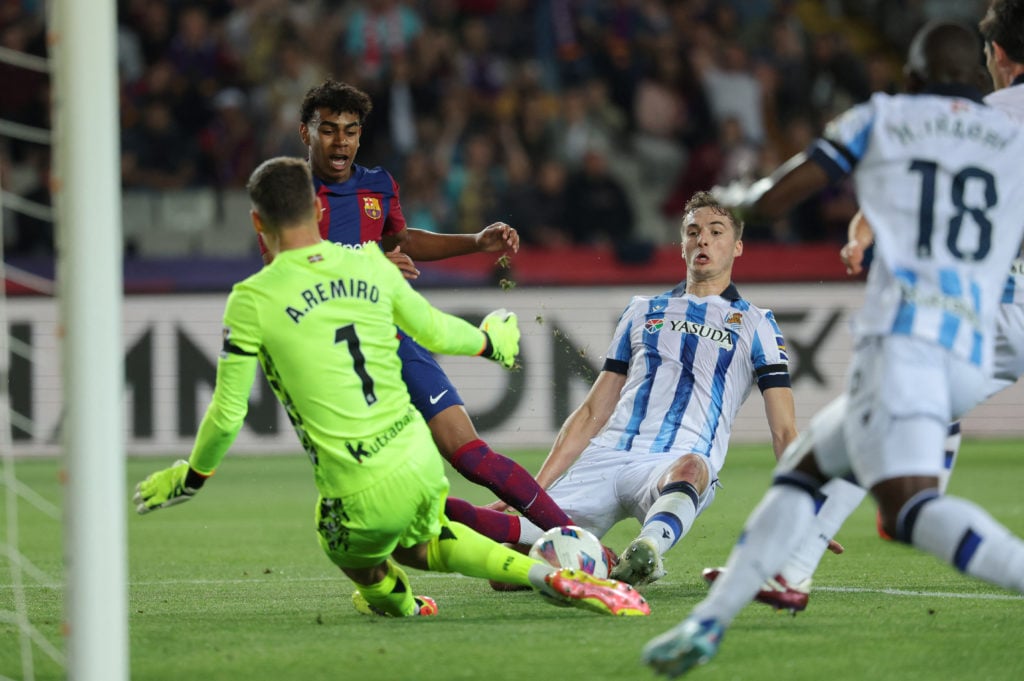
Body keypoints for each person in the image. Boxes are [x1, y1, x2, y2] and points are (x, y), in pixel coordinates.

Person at [643, 20, 1024, 676]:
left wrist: (737, 199)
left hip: (906, 341)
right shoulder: (1010, 135)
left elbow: (775, 196)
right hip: (969, 338)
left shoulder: (883, 116)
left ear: (909, 78)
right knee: (807, 466)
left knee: (907, 507)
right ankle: (709, 624)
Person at [133, 157, 650, 620]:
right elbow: (434, 330)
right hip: (418, 464)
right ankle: (553, 572)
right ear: (318, 207)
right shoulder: (369, 265)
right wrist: (493, 342)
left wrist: (192, 477)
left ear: (256, 222)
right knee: (429, 540)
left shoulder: (250, 299)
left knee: (362, 554)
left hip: (356, 487)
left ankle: (399, 601)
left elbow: (227, 413)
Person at [452, 190, 800, 588]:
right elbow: (590, 413)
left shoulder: (757, 324)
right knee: (511, 574)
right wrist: (532, 494)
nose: (703, 239)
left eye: (716, 231)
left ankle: (647, 549)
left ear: (737, 246)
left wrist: (803, 502)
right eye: (693, 231)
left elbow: (785, 430)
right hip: (606, 455)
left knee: (696, 467)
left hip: (673, 464)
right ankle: (601, 560)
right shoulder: (642, 310)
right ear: (682, 244)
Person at [287, 79, 575, 535]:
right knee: (394, 497)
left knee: (470, 454)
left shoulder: (378, 185)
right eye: (328, 129)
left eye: (350, 130)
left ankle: (578, 541)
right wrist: (374, 265)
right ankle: (521, 547)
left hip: (389, 338)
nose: (340, 141)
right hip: (333, 360)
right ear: (305, 133)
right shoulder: (286, 194)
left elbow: (402, 241)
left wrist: (476, 241)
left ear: (360, 135)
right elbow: (289, 273)